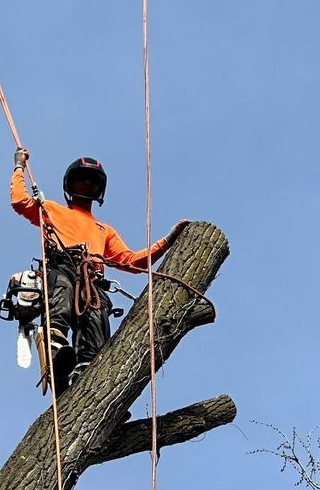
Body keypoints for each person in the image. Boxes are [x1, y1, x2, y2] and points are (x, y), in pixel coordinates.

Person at [11, 148, 189, 394]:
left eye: (92, 181)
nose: (86, 183)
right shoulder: (51, 209)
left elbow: (131, 261)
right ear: (70, 184)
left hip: (92, 280)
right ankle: (55, 346)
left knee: (95, 317)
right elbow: (20, 202)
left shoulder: (104, 230)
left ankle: (88, 370)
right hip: (62, 265)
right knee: (61, 294)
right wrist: (19, 167)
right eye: (81, 179)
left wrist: (167, 241)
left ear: (99, 190)